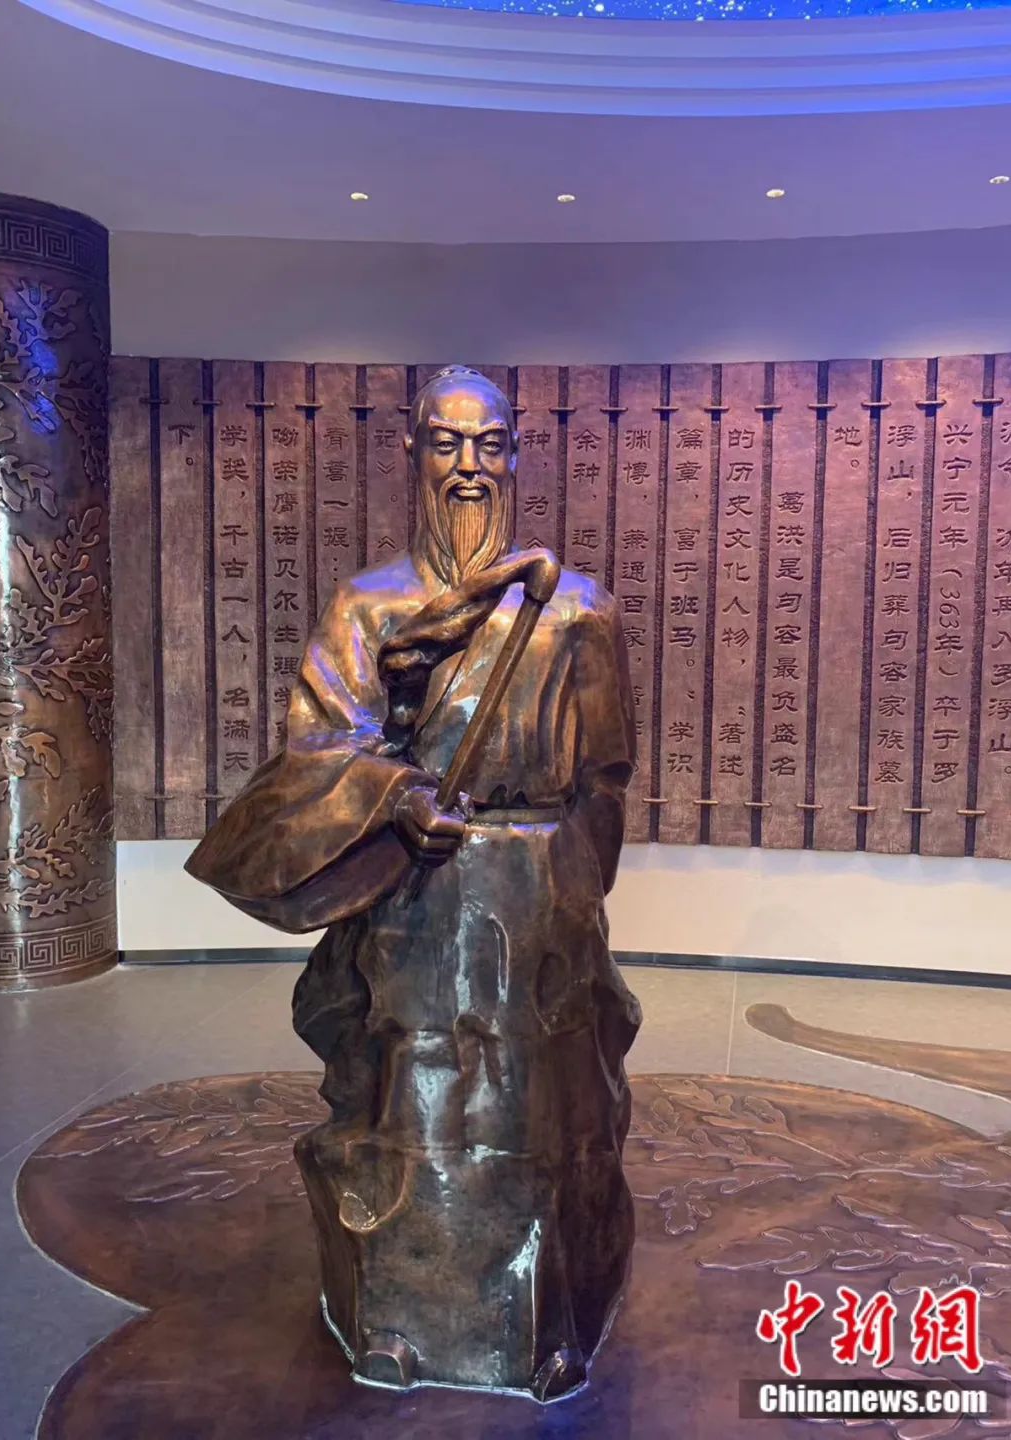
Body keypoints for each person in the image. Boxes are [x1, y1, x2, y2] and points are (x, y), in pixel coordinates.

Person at [186, 366, 641, 1400]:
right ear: (413, 453)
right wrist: (393, 799)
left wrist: (567, 891)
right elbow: (319, 744)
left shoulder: (576, 611)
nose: (469, 467)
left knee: (533, 1110)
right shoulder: (371, 605)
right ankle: (396, 1313)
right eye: (446, 444)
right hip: (415, 892)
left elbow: (606, 775)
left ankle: (544, 1323)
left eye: (489, 445)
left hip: (535, 897)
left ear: (516, 455)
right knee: (415, 1101)